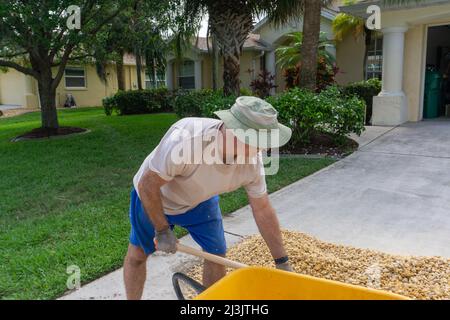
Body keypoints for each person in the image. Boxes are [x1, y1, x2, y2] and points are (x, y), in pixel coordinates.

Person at [123, 96, 293, 300]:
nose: (264, 150)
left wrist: (281, 261)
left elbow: (262, 209)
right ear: (233, 132)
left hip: (200, 200)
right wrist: (161, 229)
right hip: (156, 197)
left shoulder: (252, 163)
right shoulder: (186, 140)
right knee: (138, 256)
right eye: (259, 142)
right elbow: (147, 184)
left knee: (216, 254)